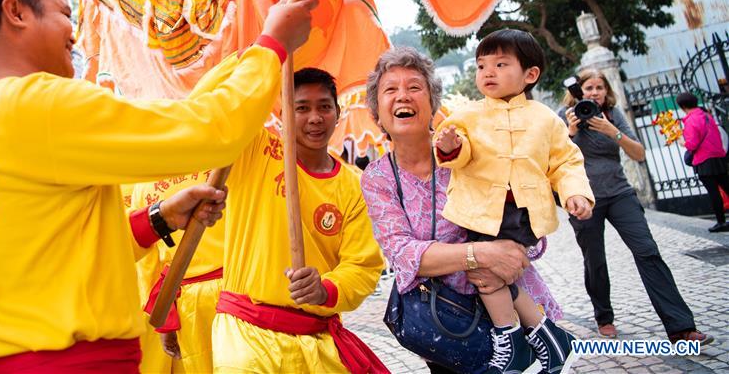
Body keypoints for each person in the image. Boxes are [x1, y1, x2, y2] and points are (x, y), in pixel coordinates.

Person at [0, 0, 315, 371]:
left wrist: (158, 220)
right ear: (16, 12)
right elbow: (210, 132)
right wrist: (272, 47)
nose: (75, 32)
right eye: (65, 13)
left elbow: (58, 249)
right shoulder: (39, 103)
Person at [361, 47, 567, 374]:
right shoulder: (378, 178)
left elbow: (525, 217)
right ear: (376, 112)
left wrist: (515, 246)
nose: (403, 96)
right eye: (390, 89)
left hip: (519, 313)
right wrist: (483, 254)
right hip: (450, 325)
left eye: (415, 87)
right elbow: (403, 254)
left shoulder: (467, 150)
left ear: (433, 103)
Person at [433, 30, 594, 373]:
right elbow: (457, 154)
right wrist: (449, 146)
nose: (487, 72)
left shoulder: (545, 119)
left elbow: (565, 162)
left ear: (530, 74)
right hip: (479, 213)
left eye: (500, 64)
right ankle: (548, 337)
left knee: (487, 276)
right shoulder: (468, 115)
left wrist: (575, 193)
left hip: (521, 213)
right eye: (481, 66)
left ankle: (510, 343)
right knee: (493, 274)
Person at [212, 67, 387, 373]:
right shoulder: (255, 151)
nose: (315, 118)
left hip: (316, 338)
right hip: (245, 337)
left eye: (324, 107)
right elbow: (217, 107)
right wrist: (258, 57)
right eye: (302, 108)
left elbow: (362, 266)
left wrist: (325, 289)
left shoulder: (354, 186)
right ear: (282, 114)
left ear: (338, 112)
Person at [559, 70, 713, 345]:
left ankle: (681, 328)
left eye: (600, 87)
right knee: (595, 260)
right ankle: (603, 317)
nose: (594, 92)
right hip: (584, 198)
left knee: (648, 250)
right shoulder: (565, 115)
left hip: (620, 193)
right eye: (589, 87)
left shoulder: (613, 115)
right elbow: (556, 158)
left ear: (607, 91)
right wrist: (569, 133)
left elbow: (639, 154)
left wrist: (612, 130)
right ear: (578, 91)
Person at [125, 176, 221, 374]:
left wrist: (163, 317)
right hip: (238, 293)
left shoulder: (144, 182)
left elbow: (149, 265)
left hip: (192, 300)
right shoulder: (225, 164)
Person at [676, 92, 729, 232]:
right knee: (726, 186)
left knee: (714, 192)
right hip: (718, 156)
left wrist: (682, 142)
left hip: (704, 160)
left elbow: (692, 144)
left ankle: (721, 221)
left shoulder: (691, 120)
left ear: (683, 106)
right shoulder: (706, 115)